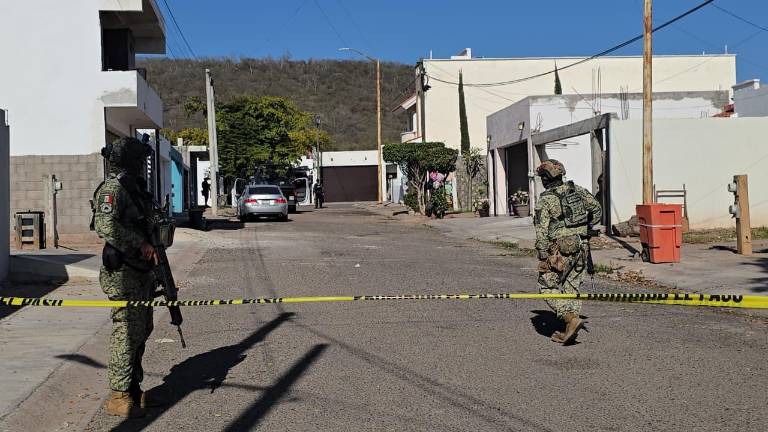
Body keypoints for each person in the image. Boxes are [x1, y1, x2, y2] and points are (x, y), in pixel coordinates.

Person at [92, 137, 164, 418]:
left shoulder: (135, 188)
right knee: (126, 331)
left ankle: (134, 389)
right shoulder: (113, 189)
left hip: (142, 271)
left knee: (142, 328)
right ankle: (118, 395)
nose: (143, 166)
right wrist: (140, 244)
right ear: (129, 161)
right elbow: (104, 225)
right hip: (123, 272)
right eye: (140, 161)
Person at [534, 159, 602, 344]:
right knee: (572, 287)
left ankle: (569, 319)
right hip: (582, 246)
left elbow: (541, 230)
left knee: (546, 286)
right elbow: (597, 210)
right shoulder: (577, 190)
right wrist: (585, 226)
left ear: (545, 179)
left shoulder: (545, 200)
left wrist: (543, 254)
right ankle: (570, 329)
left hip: (559, 250)